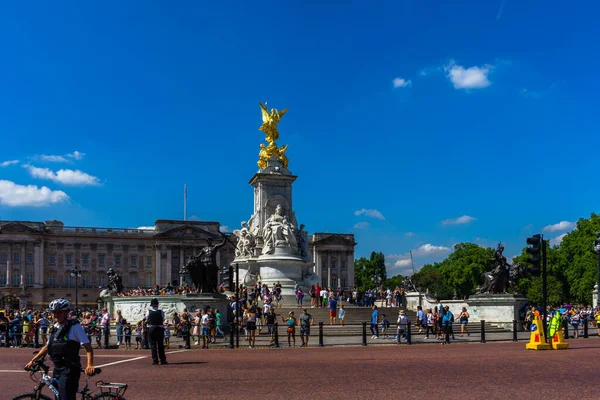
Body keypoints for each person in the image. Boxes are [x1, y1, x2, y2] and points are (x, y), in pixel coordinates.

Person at [25, 299, 95, 400]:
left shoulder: (75, 327)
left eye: (59, 312)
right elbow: (47, 347)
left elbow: (88, 347)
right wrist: (33, 360)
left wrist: (90, 365)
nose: (56, 315)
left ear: (66, 312)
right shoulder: (55, 327)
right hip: (57, 369)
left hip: (70, 370)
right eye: (53, 312)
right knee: (58, 397)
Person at [145, 298, 168, 365]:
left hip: (151, 329)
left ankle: (155, 360)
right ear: (157, 304)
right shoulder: (161, 312)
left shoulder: (148, 312)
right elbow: (163, 318)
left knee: (153, 345)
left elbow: (147, 319)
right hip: (159, 328)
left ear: (151, 305)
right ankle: (163, 360)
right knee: (160, 345)